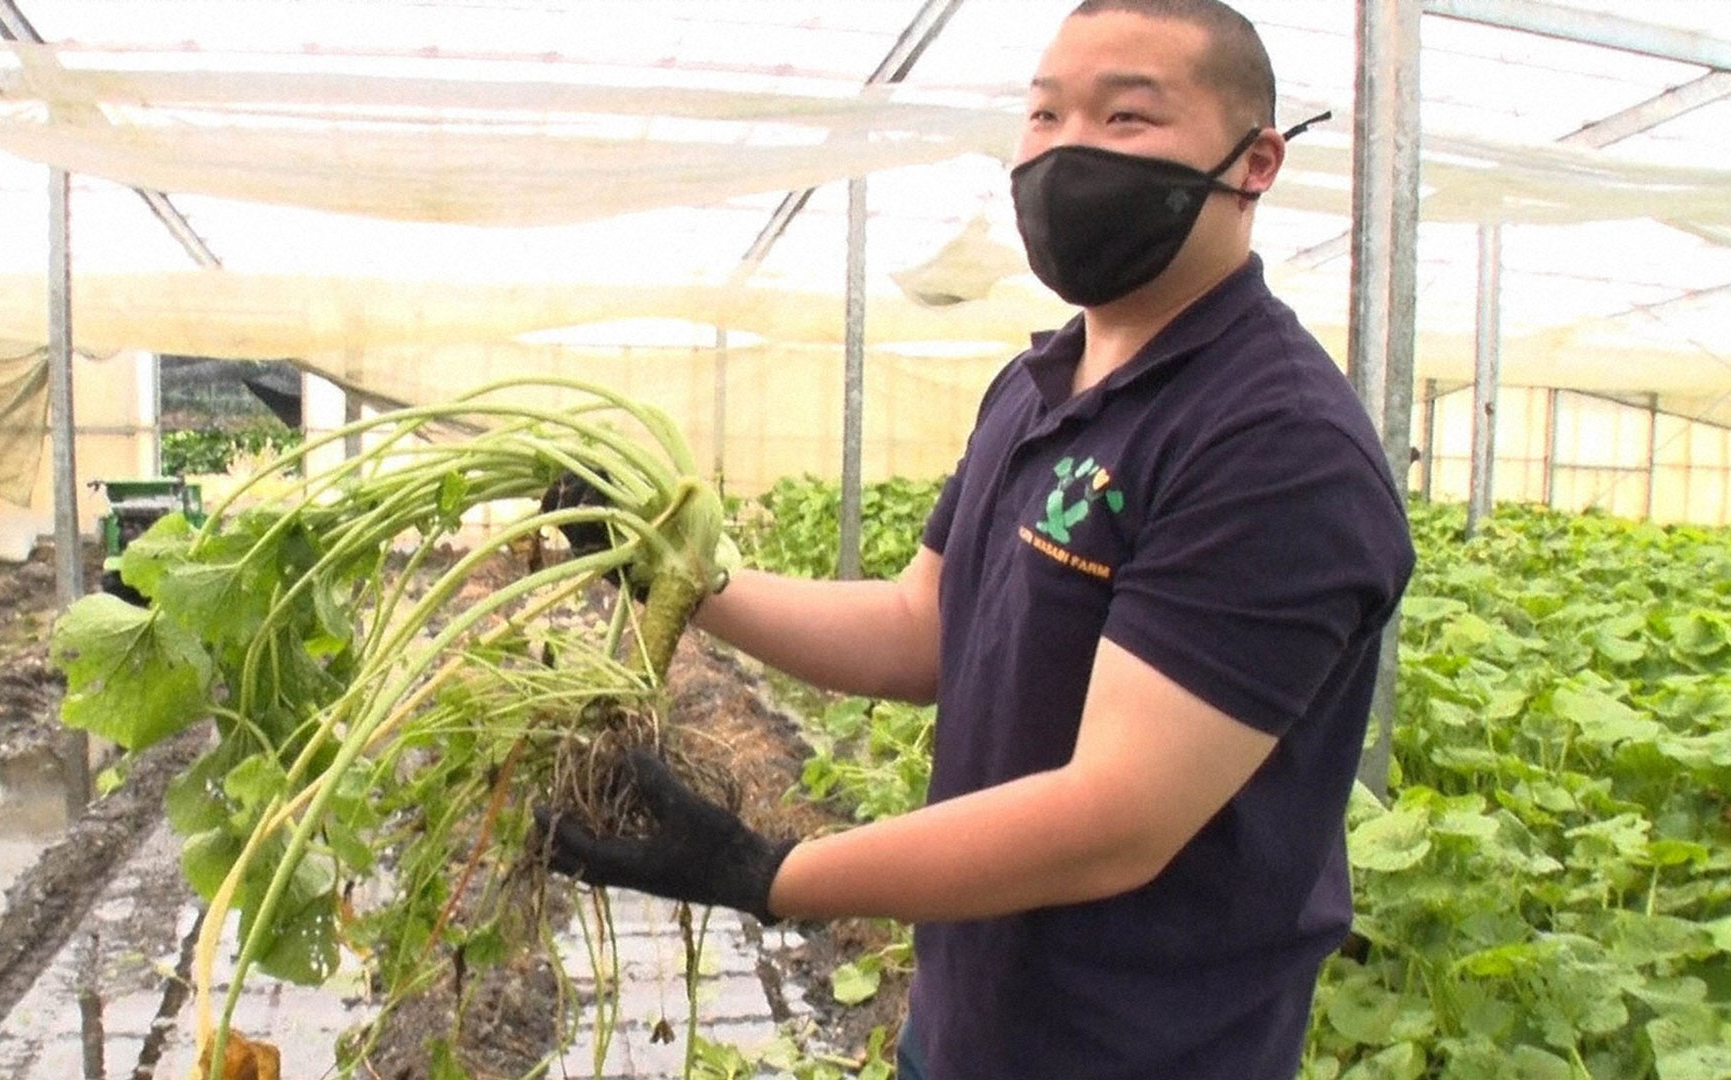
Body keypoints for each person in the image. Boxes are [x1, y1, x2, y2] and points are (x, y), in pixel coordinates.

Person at [536, 2, 1416, 1077]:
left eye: (1127, 117)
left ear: (1257, 161)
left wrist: (767, 870)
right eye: (1044, 114)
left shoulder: (1274, 442)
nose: (1066, 148)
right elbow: (923, 629)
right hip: (966, 1029)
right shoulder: (1038, 384)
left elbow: (1117, 815)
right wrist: (682, 572)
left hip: (1144, 1054)